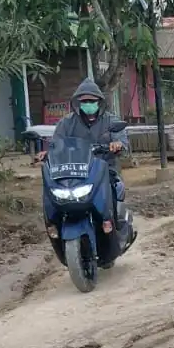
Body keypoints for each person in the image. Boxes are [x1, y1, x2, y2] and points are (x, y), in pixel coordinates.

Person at [36, 78, 132, 249]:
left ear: (99, 102)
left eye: (91, 101)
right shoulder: (67, 123)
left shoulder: (110, 121)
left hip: (104, 168)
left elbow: (122, 141)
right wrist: (47, 153)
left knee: (115, 188)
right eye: (84, 101)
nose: (88, 104)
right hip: (75, 171)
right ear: (77, 103)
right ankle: (56, 225)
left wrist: (117, 145)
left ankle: (118, 226)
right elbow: (56, 144)